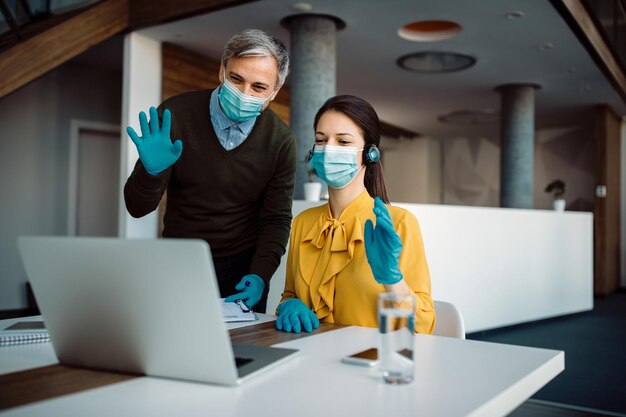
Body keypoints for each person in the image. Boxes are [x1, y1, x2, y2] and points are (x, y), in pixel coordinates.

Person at [124, 29, 295, 313]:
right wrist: (151, 173)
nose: (244, 94)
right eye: (236, 79)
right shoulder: (175, 115)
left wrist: (261, 275)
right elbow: (136, 208)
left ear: (274, 92)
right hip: (180, 260)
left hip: (243, 268)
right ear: (221, 71)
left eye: (259, 87)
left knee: (240, 353)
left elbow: (276, 219)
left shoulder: (280, 140)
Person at [275, 95, 435, 333]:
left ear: (369, 153)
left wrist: (392, 281)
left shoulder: (399, 223)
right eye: (321, 140)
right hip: (310, 358)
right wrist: (289, 304)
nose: (329, 149)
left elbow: (424, 325)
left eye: (343, 142)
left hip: (370, 362)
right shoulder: (302, 223)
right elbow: (289, 294)